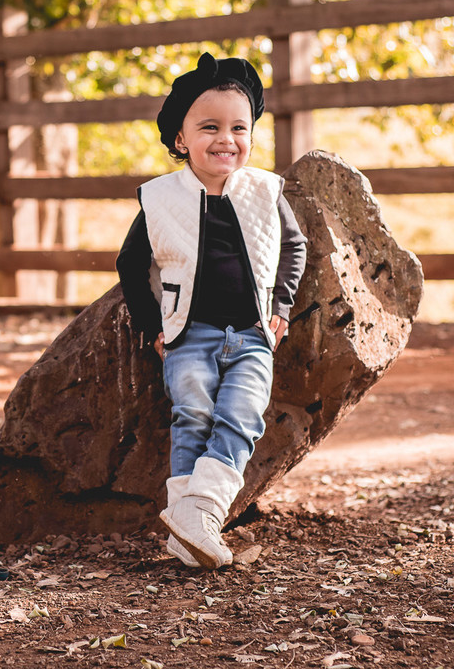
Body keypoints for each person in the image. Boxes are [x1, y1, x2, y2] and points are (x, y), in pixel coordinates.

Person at [116, 52, 308, 569]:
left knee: (241, 416)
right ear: (181, 140)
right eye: (209, 127)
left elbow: (295, 248)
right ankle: (189, 534)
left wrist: (282, 307)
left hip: (251, 333)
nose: (226, 139)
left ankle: (200, 512)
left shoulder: (266, 191)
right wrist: (152, 327)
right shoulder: (161, 198)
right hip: (188, 333)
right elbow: (130, 264)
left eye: (238, 127)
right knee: (193, 417)